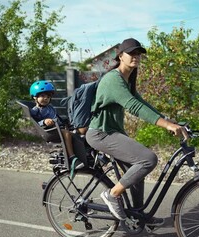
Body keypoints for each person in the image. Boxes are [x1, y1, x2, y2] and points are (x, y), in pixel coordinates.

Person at [86, 38, 189, 226]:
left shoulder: (127, 79)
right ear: (120, 56)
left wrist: (167, 119)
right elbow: (133, 106)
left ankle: (138, 215)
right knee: (148, 159)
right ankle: (112, 194)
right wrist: (166, 125)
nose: (136, 57)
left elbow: (142, 103)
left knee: (137, 172)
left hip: (112, 132)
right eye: (131, 53)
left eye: (138, 53)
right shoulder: (113, 79)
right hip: (101, 133)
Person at [29, 80, 84, 170]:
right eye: (42, 96)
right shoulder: (35, 110)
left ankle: (82, 156)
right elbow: (35, 122)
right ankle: (72, 158)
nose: (46, 98)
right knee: (66, 133)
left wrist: (66, 122)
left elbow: (57, 118)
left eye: (48, 96)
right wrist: (44, 122)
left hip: (58, 128)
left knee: (78, 132)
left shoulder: (50, 107)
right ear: (35, 97)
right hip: (50, 131)